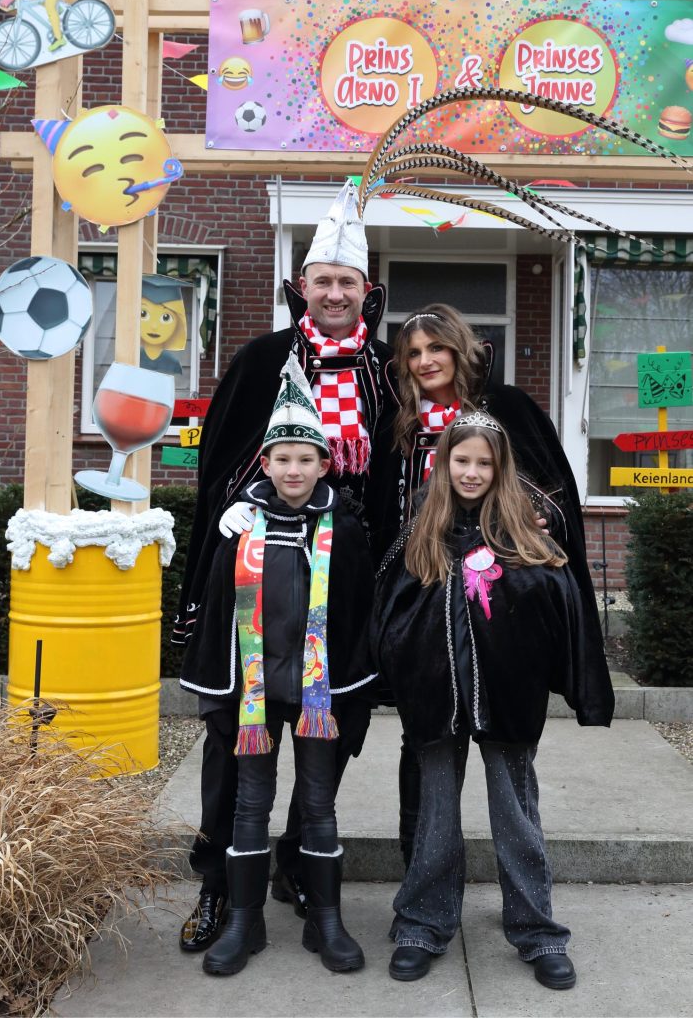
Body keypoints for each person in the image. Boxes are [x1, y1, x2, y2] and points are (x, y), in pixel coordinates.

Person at [174, 180, 400, 952]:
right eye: (322, 281)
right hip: (256, 584)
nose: (334, 294)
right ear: (300, 286)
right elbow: (221, 467)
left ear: (366, 292)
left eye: (346, 283)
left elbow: (404, 473)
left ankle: (302, 866)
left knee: (327, 737)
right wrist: (235, 514)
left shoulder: (388, 371)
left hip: (344, 587)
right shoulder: (261, 360)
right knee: (233, 747)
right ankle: (217, 884)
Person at [371, 413, 614, 988]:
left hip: (508, 701)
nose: (472, 472)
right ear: (444, 464)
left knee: (515, 814)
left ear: (500, 469)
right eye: (462, 460)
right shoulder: (420, 534)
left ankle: (536, 930)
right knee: (435, 815)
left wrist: (566, 677)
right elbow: (389, 610)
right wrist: (397, 673)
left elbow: (560, 606)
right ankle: (423, 923)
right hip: (435, 700)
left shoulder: (525, 537)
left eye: (484, 463)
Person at [388, 303, 605, 869]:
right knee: (425, 740)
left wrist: (538, 517)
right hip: (427, 592)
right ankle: (421, 873)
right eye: (414, 353)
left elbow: (550, 489)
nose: (425, 361)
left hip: (495, 607)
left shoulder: (504, 407)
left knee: (504, 745)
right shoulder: (403, 420)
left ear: (459, 349)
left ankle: (522, 897)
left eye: (436, 347)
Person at [180, 355, 375, 976]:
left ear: (325, 464)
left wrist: (354, 693)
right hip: (254, 695)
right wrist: (218, 693)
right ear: (264, 463)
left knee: (319, 805)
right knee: (248, 805)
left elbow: (358, 612)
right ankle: (245, 921)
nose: (294, 470)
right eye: (282, 458)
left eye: (306, 459)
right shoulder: (240, 526)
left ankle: (326, 920)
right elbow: (217, 611)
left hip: (318, 694)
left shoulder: (346, 529)